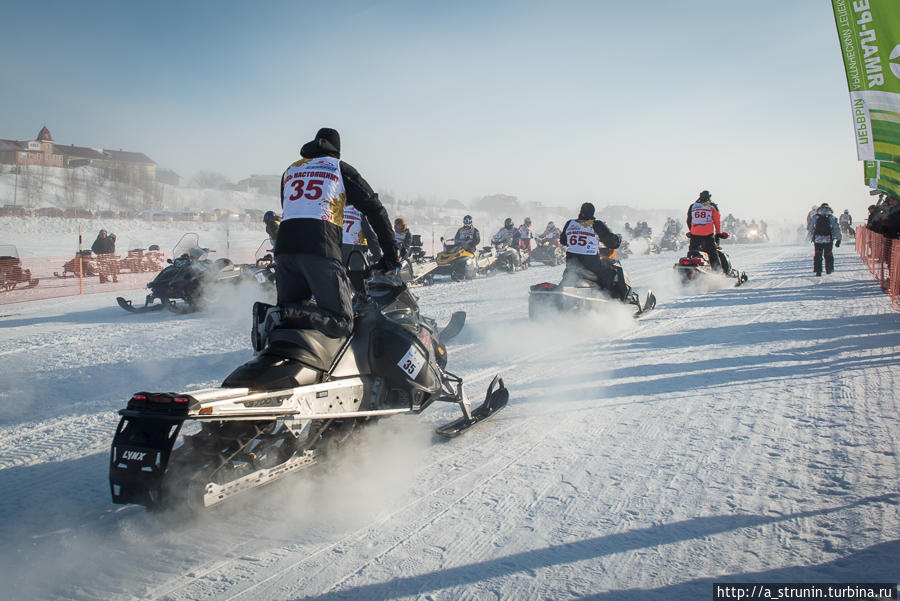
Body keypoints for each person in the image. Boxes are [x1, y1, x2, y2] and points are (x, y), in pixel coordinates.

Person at [274, 127, 398, 339]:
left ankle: (278, 318)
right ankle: (281, 313)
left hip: (284, 248)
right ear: (337, 150)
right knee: (341, 322)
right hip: (320, 247)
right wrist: (390, 255)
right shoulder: (339, 169)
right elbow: (375, 209)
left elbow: (290, 207)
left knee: (294, 326)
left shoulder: (291, 170)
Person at [559, 202, 629, 301]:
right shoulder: (596, 225)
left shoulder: (570, 223)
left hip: (571, 262)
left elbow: (563, 241)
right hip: (590, 263)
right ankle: (613, 298)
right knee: (611, 271)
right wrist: (617, 240)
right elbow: (611, 243)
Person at [686, 190, 724, 273]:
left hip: (695, 234)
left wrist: (691, 231)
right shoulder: (712, 206)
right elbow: (717, 222)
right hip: (707, 235)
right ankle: (717, 273)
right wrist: (718, 234)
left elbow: (689, 220)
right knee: (713, 253)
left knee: (692, 252)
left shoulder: (693, 206)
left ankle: (689, 269)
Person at [807, 202, 841, 276]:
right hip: (828, 239)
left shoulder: (815, 217)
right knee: (828, 254)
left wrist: (810, 237)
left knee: (818, 254)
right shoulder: (832, 217)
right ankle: (829, 269)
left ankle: (818, 270)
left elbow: (810, 228)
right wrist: (838, 239)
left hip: (817, 239)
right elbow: (836, 228)